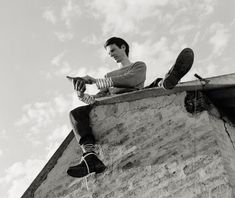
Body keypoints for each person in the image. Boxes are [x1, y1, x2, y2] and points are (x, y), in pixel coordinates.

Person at [67, 37, 194, 178]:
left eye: (113, 50)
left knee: (155, 83)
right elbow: (96, 100)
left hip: (136, 94)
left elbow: (132, 80)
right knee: (76, 113)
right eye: (109, 54)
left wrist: (97, 81)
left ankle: (168, 80)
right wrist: (81, 94)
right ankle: (90, 157)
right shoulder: (108, 75)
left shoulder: (138, 66)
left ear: (123, 47)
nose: (112, 55)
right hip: (112, 103)